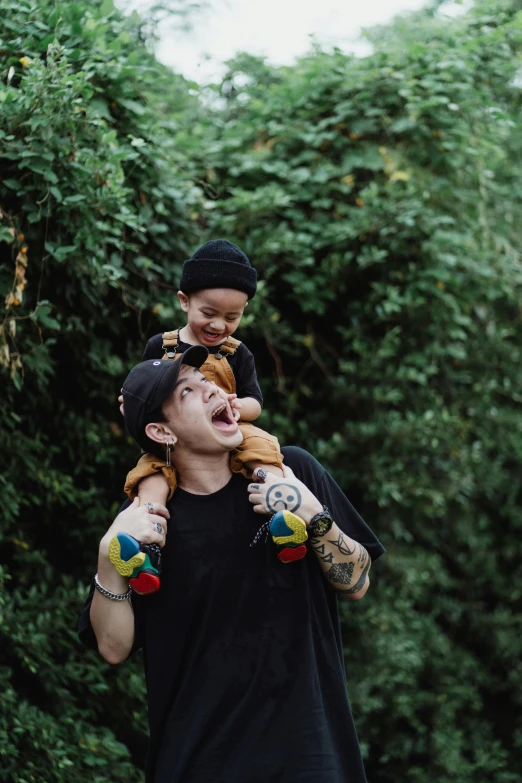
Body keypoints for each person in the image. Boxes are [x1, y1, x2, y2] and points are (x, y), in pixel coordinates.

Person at [78, 347, 385, 783]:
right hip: (198, 764)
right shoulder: (147, 525)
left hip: (311, 760)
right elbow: (112, 647)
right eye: (189, 391)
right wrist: (108, 560)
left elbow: (356, 582)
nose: (211, 391)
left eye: (208, 382)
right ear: (160, 431)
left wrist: (314, 516)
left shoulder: (290, 471)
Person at [123, 239, 284, 513]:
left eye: (232, 317)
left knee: (264, 450)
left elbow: (255, 403)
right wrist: (131, 406)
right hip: (175, 433)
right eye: (208, 313)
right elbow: (143, 390)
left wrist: (235, 407)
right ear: (185, 301)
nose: (219, 325)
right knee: (151, 472)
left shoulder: (238, 353)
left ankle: (282, 507)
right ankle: (148, 525)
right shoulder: (160, 347)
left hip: (230, 427)